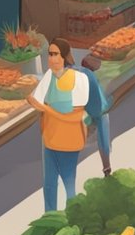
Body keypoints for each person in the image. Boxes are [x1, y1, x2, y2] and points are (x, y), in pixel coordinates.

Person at [28, 38, 89, 211]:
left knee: (69, 183)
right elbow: (33, 99)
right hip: (49, 139)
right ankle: (49, 217)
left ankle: (72, 218)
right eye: (50, 54)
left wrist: (48, 110)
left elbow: (75, 116)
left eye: (55, 54)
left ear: (64, 56)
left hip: (69, 140)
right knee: (49, 184)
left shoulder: (79, 79)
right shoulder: (48, 76)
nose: (52, 59)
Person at [78, 55, 114, 177]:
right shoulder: (89, 76)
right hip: (99, 110)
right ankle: (106, 166)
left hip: (96, 109)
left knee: (103, 137)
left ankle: (106, 166)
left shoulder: (87, 76)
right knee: (104, 137)